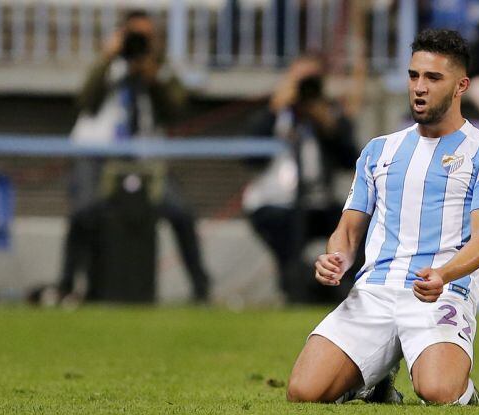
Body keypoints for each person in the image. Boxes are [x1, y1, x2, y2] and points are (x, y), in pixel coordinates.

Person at [287, 29, 479, 405]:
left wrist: (444, 274)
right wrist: (337, 257)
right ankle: (373, 384)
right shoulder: (380, 150)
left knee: (439, 391)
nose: (419, 87)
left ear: (461, 86)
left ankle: (465, 393)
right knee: (304, 392)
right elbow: (347, 228)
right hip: (374, 291)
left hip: (440, 293)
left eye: (433, 78)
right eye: (413, 76)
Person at [57, 10, 211, 303]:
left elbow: (178, 110)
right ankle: (65, 287)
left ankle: (201, 289)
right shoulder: (108, 66)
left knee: (181, 212)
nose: (140, 44)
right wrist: (108, 58)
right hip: (97, 154)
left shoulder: (159, 69)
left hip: (144, 161)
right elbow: (84, 101)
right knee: (83, 211)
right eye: (135, 37)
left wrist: (155, 76)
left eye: (147, 37)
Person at [243, 56, 358, 303]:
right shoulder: (275, 114)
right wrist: (274, 111)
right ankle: (293, 289)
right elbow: (250, 158)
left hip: (318, 201)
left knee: (356, 226)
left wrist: (329, 126)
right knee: (287, 235)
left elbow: (351, 160)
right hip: (276, 202)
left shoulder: (328, 113)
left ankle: (346, 291)